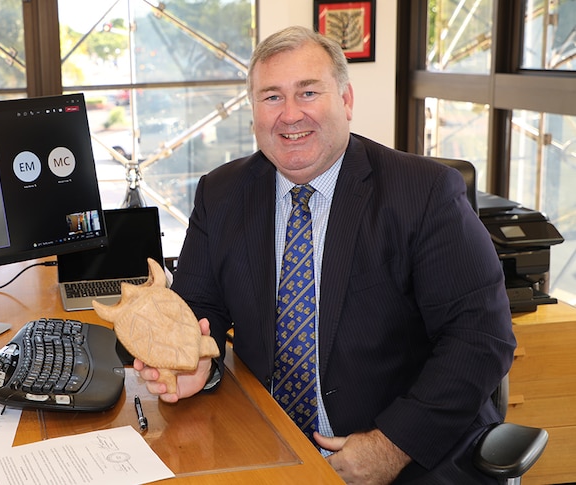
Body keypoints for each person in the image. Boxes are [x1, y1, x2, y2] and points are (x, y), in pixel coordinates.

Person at [133, 26, 515, 483]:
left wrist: (391, 445)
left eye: (308, 92)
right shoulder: (222, 193)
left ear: (346, 100)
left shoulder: (424, 192)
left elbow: (480, 337)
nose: (290, 115)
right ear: (252, 111)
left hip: (407, 450)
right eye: (271, 97)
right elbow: (200, 306)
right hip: (272, 443)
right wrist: (195, 361)